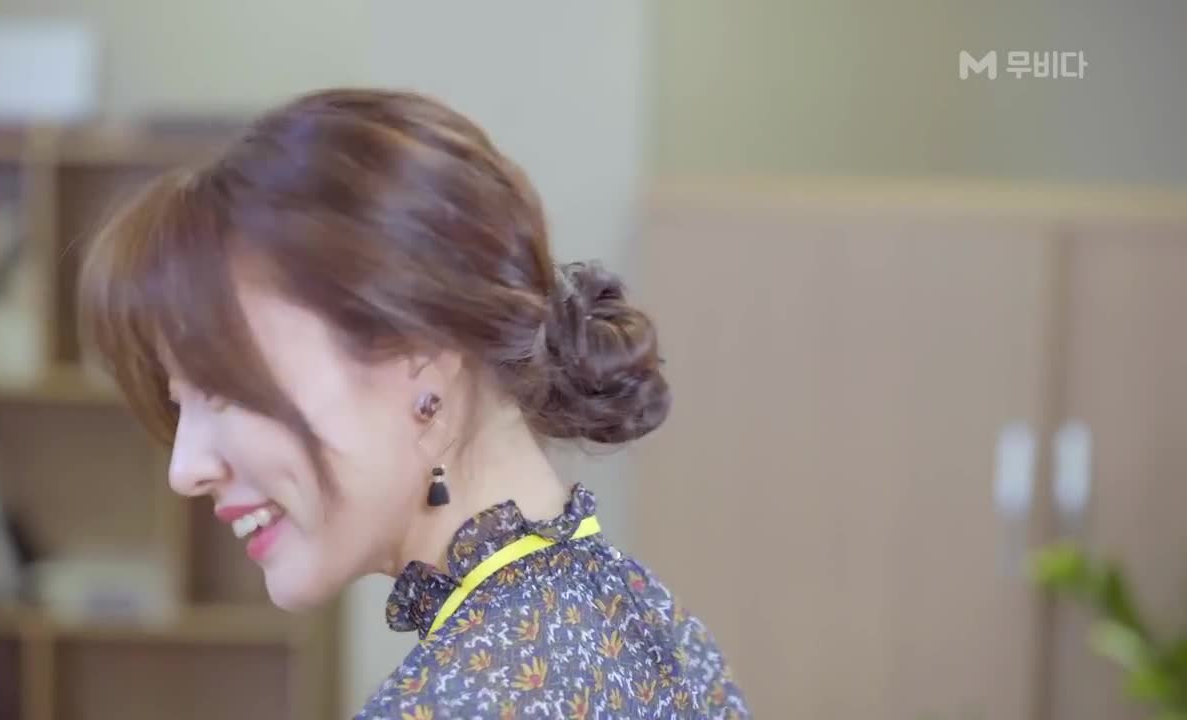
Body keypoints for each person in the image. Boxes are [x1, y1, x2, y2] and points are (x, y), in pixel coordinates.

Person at [77, 88, 751, 719]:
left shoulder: (458, 698)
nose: (185, 468)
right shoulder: (655, 627)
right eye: (181, 404)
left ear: (421, 353)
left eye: (225, 390)